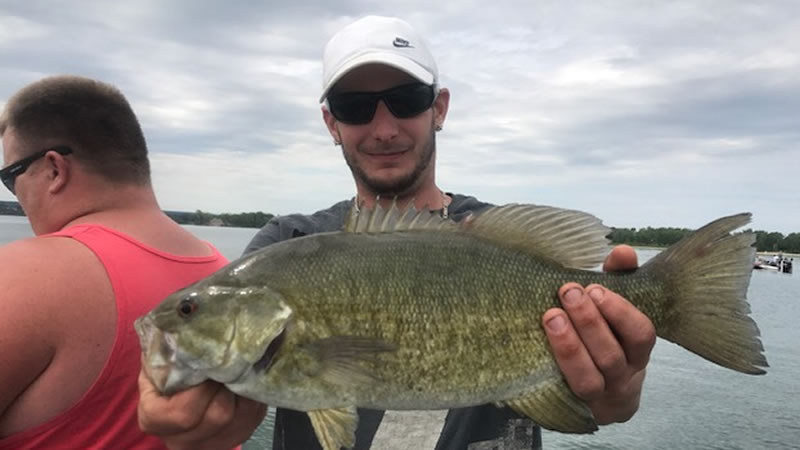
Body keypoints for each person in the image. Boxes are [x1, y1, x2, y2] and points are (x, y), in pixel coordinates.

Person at [137, 16, 654, 450]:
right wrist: (196, 425)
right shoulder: (284, 244)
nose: (384, 128)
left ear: (439, 108)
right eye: (355, 108)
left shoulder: (496, 242)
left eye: (405, 99)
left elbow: (600, 405)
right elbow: (231, 415)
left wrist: (614, 392)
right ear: (331, 124)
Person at [0, 75, 265, 449]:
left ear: (54, 170)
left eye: (10, 178)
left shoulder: (22, 277)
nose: (16, 194)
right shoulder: (222, 273)